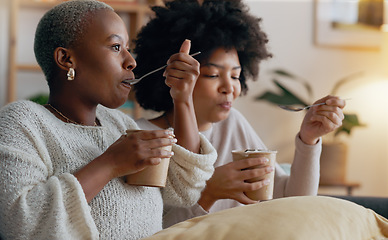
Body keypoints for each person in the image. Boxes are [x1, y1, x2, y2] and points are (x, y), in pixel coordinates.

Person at [0, 0, 217, 239]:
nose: (131, 61)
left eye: (127, 48)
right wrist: (110, 164)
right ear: (66, 59)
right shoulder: (21, 122)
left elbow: (185, 187)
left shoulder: (121, 124)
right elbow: (23, 224)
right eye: (115, 47)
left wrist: (183, 99)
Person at [132, 0, 346, 228]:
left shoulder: (233, 124)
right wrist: (209, 192)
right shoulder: (143, 138)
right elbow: (151, 232)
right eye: (213, 75)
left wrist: (308, 139)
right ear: (175, 75)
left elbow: (293, 201)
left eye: (235, 76)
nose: (229, 87)